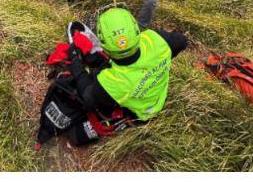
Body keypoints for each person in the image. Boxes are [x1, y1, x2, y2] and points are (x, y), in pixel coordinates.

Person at [66, 7, 187, 138]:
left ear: (104, 47)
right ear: (135, 30)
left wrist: (75, 61)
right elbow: (182, 41)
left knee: (93, 78)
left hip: (141, 114)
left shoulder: (112, 83)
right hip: (160, 98)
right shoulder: (157, 40)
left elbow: (87, 96)